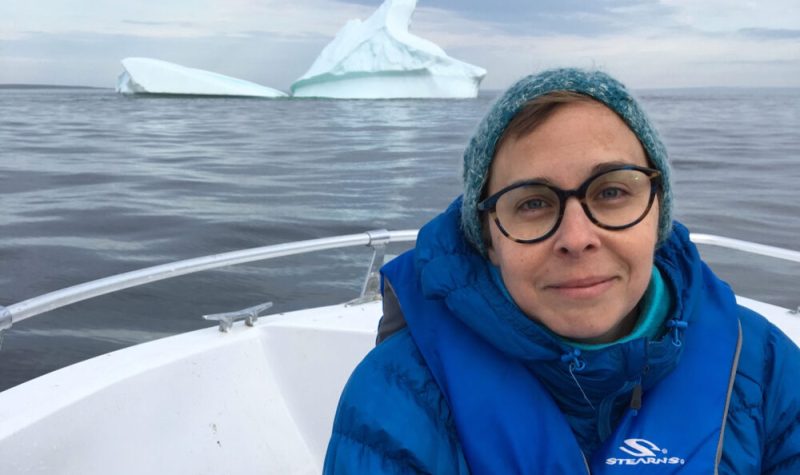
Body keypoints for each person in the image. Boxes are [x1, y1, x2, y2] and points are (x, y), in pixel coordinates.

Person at [323, 68, 800, 474]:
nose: (576, 237)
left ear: (658, 213)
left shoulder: (764, 366)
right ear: (488, 238)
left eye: (612, 192)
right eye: (532, 202)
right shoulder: (399, 394)